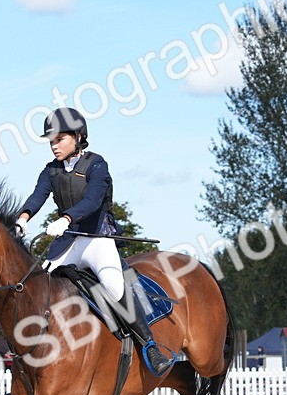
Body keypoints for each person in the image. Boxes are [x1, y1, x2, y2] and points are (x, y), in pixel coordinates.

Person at [16, 107, 173, 378]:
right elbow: (37, 196)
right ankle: (27, 365)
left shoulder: (97, 164)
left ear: (78, 137)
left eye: (60, 139)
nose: (54, 146)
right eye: (51, 141)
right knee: (35, 287)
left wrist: (65, 218)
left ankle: (149, 346)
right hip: (69, 243)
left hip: (97, 239)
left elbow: (92, 201)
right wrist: (23, 217)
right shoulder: (50, 171)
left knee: (114, 287)